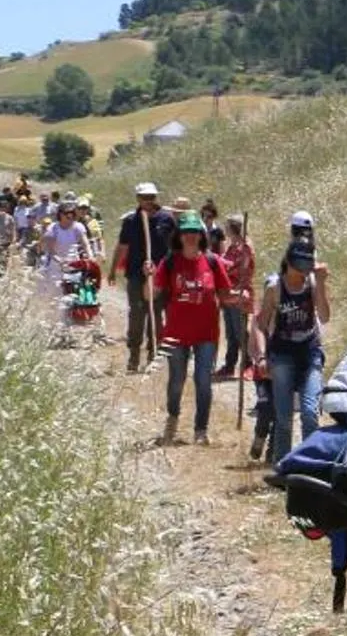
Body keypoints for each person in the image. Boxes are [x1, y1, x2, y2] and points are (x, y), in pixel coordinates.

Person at [253, 242, 330, 467]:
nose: (305, 270)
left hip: (309, 352)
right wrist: (261, 357)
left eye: (308, 265)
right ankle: (283, 468)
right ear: (289, 264)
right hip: (282, 354)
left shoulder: (313, 284)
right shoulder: (275, 287)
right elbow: (260, 324)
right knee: (284, 417)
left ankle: (309, 467)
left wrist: (322, 284)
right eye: (301, 266)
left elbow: (324, 317)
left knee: (309, 412)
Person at [153, 213, 226, 444]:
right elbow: (150, 294)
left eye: (195, 232)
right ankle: (173, 417)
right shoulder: (170, 263)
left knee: (203, 380)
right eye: (186, 232)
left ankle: (200, 430)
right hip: (176, 332)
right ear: (179, 236)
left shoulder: (212, 262)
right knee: (177, 380)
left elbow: (225, 294)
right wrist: (150, 276)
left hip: (206, 333)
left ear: (201, 235)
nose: (191, 236)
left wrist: (242, 296)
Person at [109, 182, 178, 374]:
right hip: (136, 275)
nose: (148, 201)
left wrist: (169, 270)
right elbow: (122, 247)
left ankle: (153, 355)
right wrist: (113, 269)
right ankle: (133, 356)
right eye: (144, 197)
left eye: (151, 197)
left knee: (156, 315)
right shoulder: (131, 221)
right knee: (137, 315)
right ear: (138, 198)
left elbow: (175, 247)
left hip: (160, 277)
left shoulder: (166, 220)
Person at [216, 214, 256, 379]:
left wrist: (218, 263)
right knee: (231, 333)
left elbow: (238, 268)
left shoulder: (245, 247)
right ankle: (229, 365)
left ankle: (249, 364)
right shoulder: (232, 246)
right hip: (228, 293)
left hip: (240, 293)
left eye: (227, 227)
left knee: (240, 332)